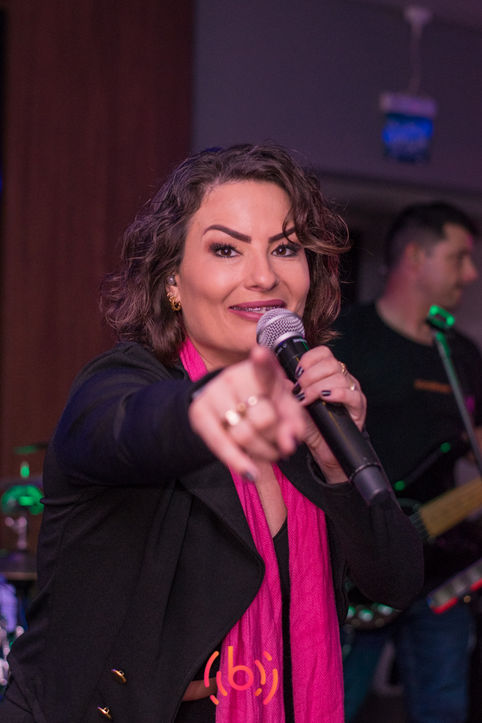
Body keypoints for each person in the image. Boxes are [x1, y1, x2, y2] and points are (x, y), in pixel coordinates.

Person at [1, 144, 423, 723]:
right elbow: (125, 428)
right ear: (172, 279)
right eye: (227, 249)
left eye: (285, 248)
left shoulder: (306, 414)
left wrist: (336, 464)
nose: (264, 275)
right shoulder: (121, 383)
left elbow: (395, 581)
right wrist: (206, 407)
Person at [333, 201, 482, 722]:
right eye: (459, 257)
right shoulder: (347, 337)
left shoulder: (461, 355)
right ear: (417, 257)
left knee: (443, 706)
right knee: (333, 704)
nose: (471, 273)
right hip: (357, 565)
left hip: (439, 568)